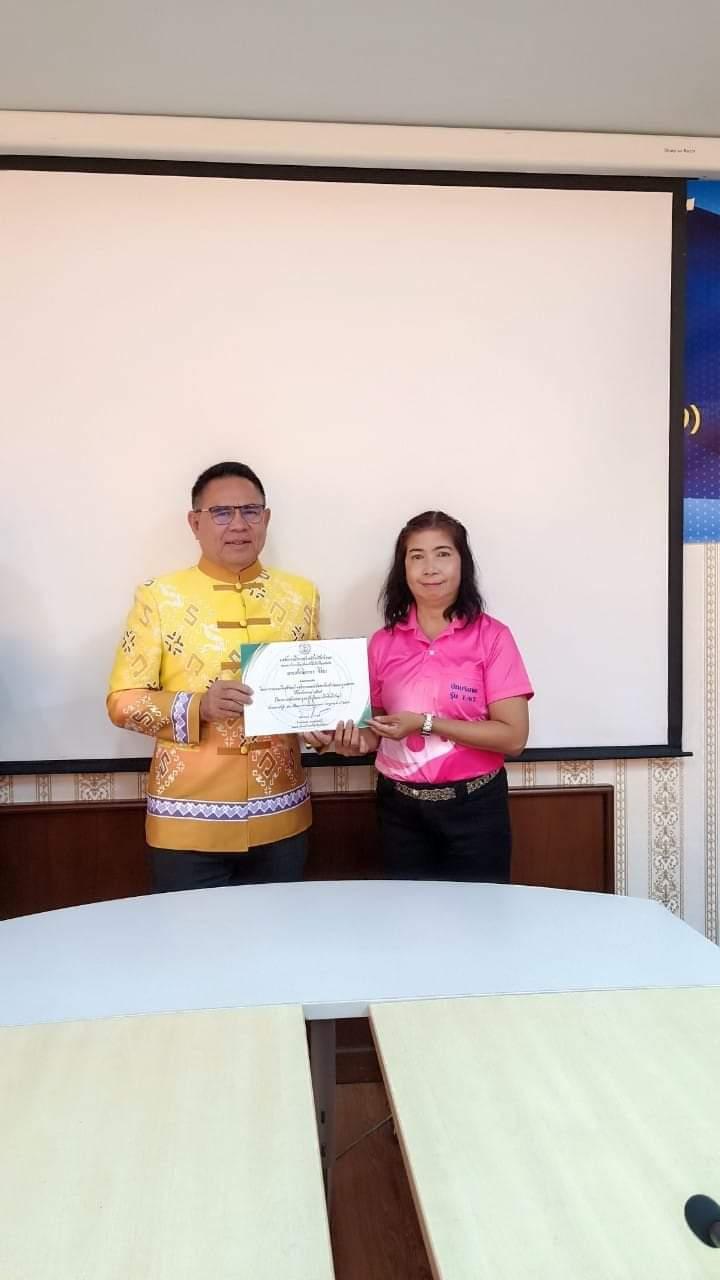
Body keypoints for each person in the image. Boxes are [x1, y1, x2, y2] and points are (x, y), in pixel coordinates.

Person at [107, 461, 319, 892]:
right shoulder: (159, 597)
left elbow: (311, 692)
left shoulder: (301, 595)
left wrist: (327, 726)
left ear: (266, 518)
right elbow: (121, 701)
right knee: (192, 936)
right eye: (222, 512)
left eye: (250, 511)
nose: (238, 524)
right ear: (195, 523)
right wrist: (198, 706)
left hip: (281, 816)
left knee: (279, 934)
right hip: (186, 820)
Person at [311, 511, 533, 881]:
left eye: (443, 554)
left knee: (479, 915)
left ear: (463, 563)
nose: (430, 568)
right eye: (417, 556)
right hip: (400, 810)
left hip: (475, 809)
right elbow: (375, 730)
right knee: (407, 915)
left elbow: (513, 737)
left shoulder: (492, 637)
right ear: (404, 568)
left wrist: (426, 724)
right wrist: (346, 740)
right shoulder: (383, 642)